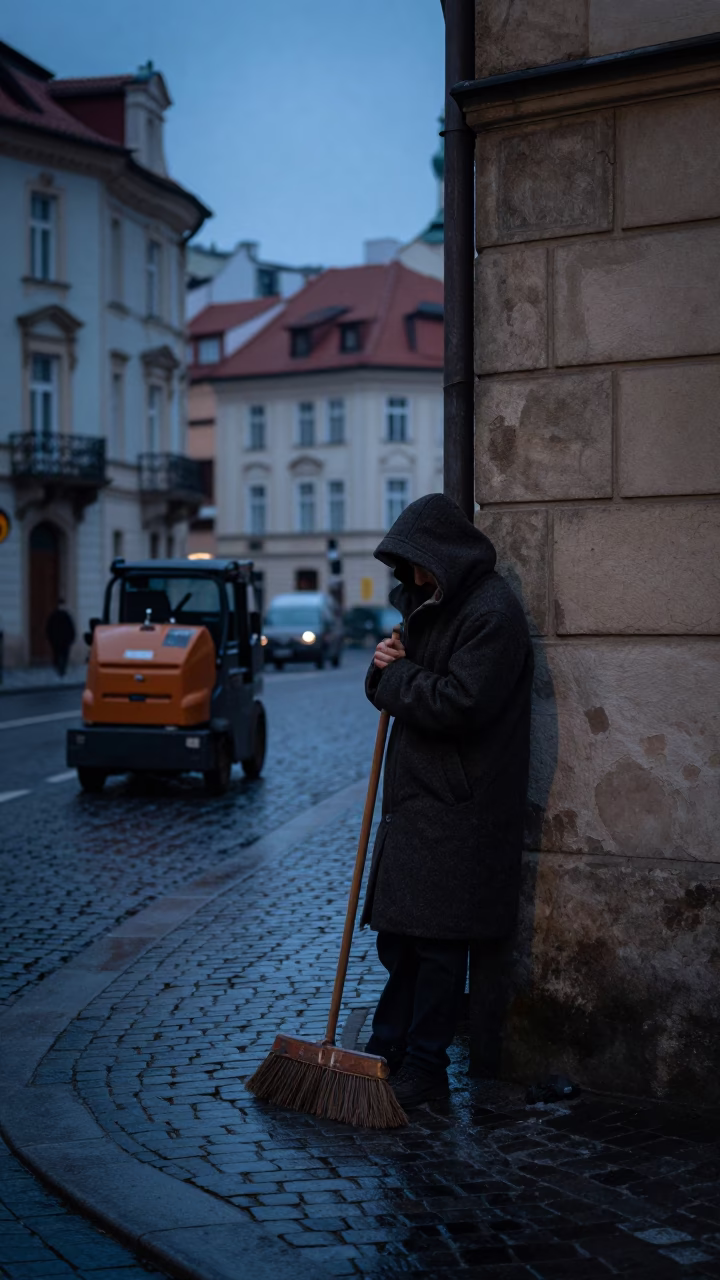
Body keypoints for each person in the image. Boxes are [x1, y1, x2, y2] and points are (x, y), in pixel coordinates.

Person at [362, 492, 533, 1109]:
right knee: (400, 939)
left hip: (461, 808)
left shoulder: (491, 613)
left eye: (419, 564)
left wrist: (395, 676)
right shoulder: (430, 606)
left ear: (445, 555)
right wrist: (383, 667)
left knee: (437, 948)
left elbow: (461, 703)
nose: (412, 577)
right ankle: (391, 1052)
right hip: (420, 802)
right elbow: (400, 677)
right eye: (406, 567)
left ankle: (424, 1071)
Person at [45, 599, 76, 677]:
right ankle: (59, 669)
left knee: (62, 655)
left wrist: (72, 637)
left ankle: (61, 669)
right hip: (59, 640)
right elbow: (49, 628)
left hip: (64, 640)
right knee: (58, 655)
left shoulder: (64, 615)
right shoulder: (55, 616)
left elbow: (71, 628)